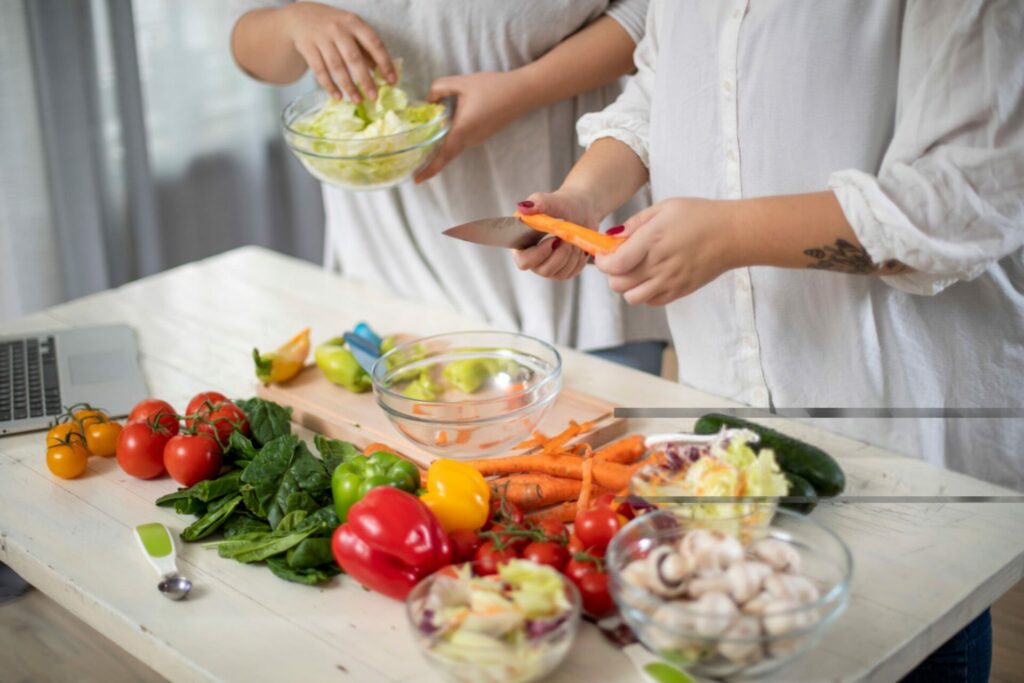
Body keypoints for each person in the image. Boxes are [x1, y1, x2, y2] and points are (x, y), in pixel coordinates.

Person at [517, 2, 1022, 679]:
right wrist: (583, 195)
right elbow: (661, 88)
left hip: (896, 415)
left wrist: (730, 237)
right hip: (730, 403)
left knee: (912, 633)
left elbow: (964, 197)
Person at [229, 0, 668, 373]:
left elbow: (653, 18)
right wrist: (293, 22)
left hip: (571, 283)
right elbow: (247, 43)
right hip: (384, 286)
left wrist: (523, 90)